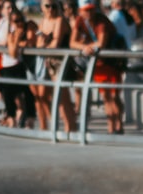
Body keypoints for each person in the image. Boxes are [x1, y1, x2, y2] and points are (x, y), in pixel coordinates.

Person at [71, 0, 125, 134]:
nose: (89, 13)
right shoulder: (80, 20)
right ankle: (111, 126)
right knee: (105, 96)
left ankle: (118, 125)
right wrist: (85, 47)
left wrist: (88, 46)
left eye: (91, 9)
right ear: (80, 11)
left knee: (114, 96)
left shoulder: (101, 21)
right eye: (86, 10)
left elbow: (102, 42)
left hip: (112, 62)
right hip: (99, 63)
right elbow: (72, 42)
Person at [34, 0, 78, 132]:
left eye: (54, 6)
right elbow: (38, 44)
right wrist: (45, 44)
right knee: (44, 95)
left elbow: (56, 44)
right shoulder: (43, 22)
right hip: (49, 62)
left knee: (63, 97)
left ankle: (70, 127)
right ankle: (55, 126)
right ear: (42, 7)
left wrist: (44, 44)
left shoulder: (60, 21)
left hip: (61, 63)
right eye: (47, 6)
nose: (51, 9)